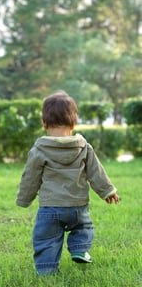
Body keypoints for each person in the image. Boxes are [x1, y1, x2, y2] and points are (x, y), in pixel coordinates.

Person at [16, 91, 119, 276]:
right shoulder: (84, 147)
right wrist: (108, 191)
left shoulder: (39, 149)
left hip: (50, 208)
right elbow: (96, 172)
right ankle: (79, 248)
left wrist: (24, 199)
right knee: (83, 227)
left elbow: (30, 177)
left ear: (44, 123)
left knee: (46, 239)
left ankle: (47, 269)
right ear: (74, 122)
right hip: (77, 207)